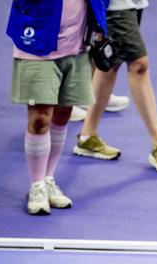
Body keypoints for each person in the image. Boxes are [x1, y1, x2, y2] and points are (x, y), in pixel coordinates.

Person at [7, 0, 108, 215]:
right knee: (40, 118)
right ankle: (36, 186)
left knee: (63, 115)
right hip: (38, 40)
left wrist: (99, 24)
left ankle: (48, 179)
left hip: (78, 44)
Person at [72, 0, 157, 172]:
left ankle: (87, 136)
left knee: (110, 64)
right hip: (115, 5)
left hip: (132, 3)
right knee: (139, 64)